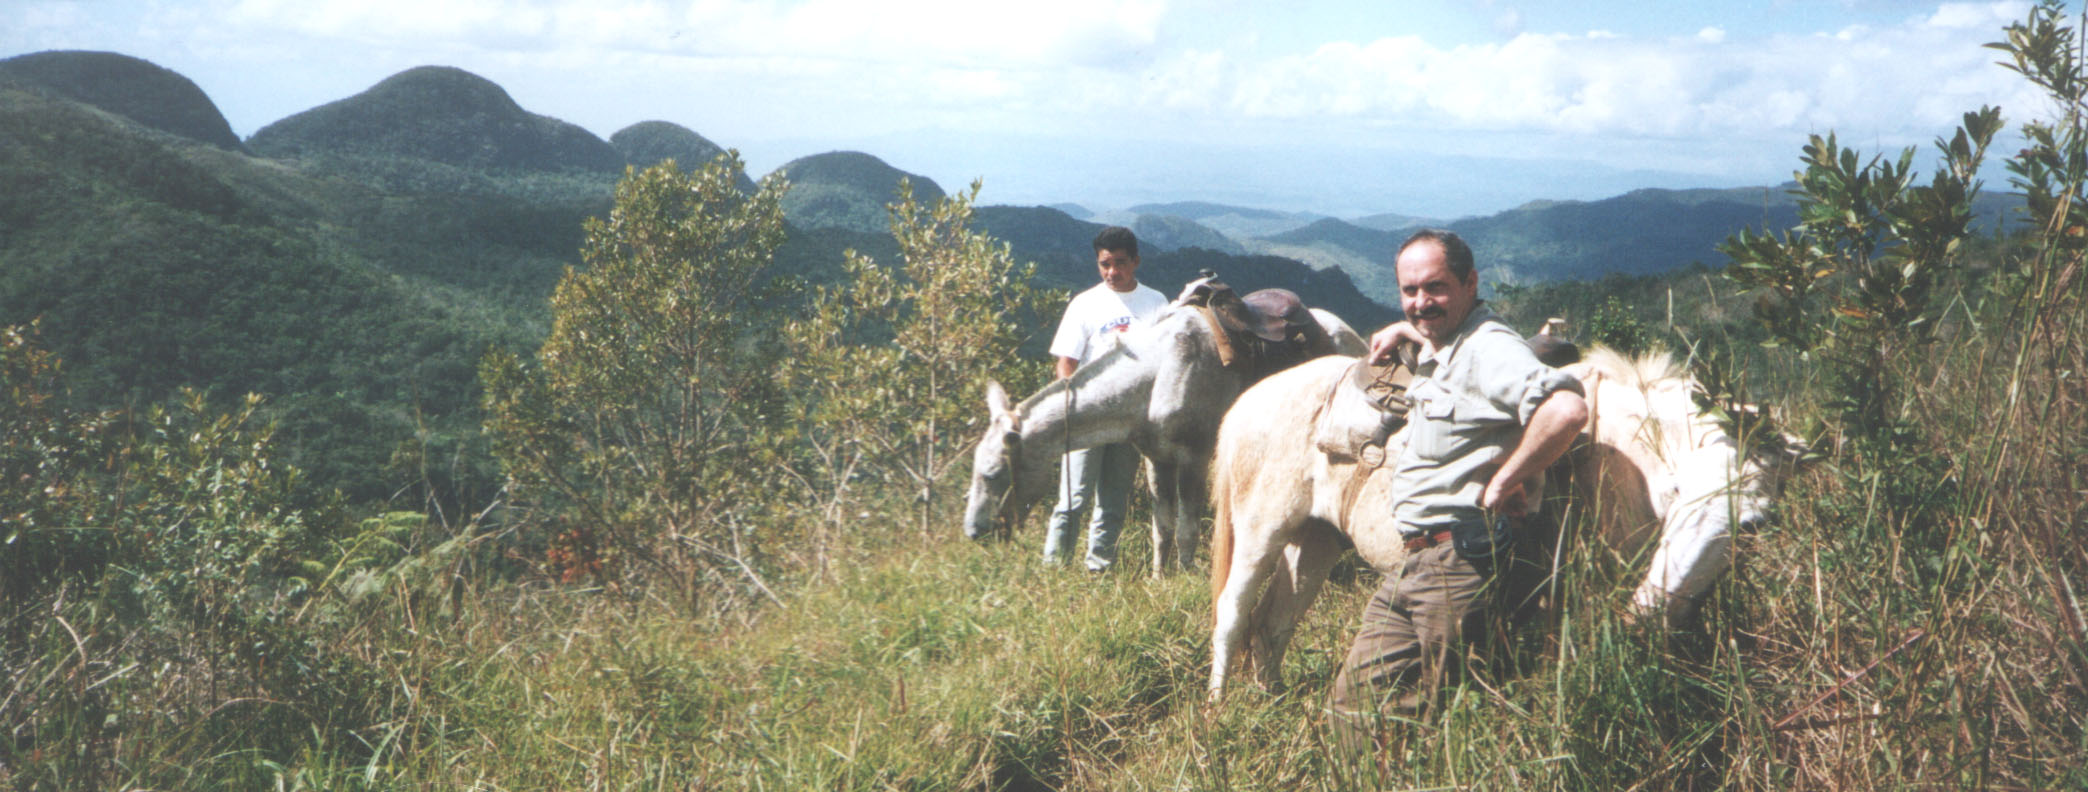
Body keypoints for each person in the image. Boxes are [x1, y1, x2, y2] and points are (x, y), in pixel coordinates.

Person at [1332, 229, 1589, 750]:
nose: (1421, 302)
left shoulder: (1489, 349)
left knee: (1446, 720)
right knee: (1353, 705)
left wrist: (1504, 480)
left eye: (1436, 288)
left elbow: (1567, 409)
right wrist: (1404, 328)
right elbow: (1435, 334)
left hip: (1461, 563)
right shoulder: (1451, 344)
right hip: (1415, 563)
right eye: (1409, 291)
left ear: (1470, 283)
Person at [1042, 226, 1168, 571]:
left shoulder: (1156, 303)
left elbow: (1167, 361)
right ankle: (1054, 569)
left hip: (1130, 419)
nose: (1112, 272)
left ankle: (1098, 569)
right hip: (1088, 415)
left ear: (1136, 262)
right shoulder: (1085, 303)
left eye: (1120, 263)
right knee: (1073, 498)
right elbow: (1066, 362)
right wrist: (1071, 406)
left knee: (1113, 501)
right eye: (1105, 264)